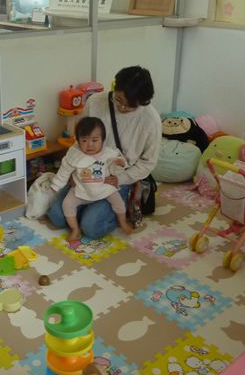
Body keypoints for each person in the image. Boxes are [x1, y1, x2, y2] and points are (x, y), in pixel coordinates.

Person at [47, 65, 162, 239]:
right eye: (118, 100)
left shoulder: (150, 119)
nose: (122, 107)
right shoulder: (95, 102)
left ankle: (112, 209)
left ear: (142, 102)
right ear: (114, 88)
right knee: (57, 216)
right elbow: (80, 140)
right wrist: (71, 172)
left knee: (91, 227)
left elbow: (148, 162)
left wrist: (121, 179)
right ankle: (89, 210)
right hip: (84, 173)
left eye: (130, 106)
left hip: (115, 178)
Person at [51, 116, 131, 242]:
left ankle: (122, 221)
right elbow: (64, 172)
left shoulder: (108, 153)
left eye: (94, 140)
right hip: (81, 189)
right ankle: (75, 229)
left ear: (102, 140)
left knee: (118, 202)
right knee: (67, 204)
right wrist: (55, 186)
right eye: (84, 140)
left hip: (103, 188)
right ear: (77, 140)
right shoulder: (74, 154)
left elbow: (116, 169)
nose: (90, 145)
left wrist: (120, 164)